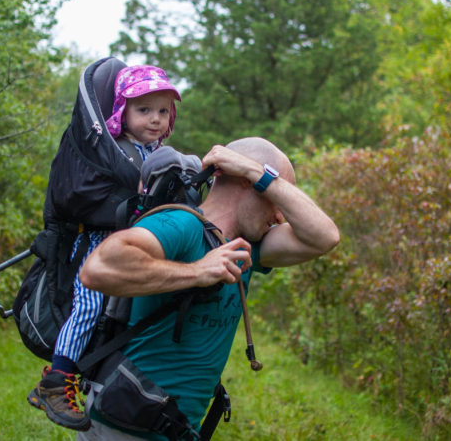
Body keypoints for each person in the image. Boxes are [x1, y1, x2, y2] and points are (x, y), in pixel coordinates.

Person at [77, 137, 340, 440]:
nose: (280, 216)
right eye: (274, 199)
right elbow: (97, 269)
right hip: (126, 425)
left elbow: (326, 237)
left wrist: (259, 174)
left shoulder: (248, 248)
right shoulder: (181, 224)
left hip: (177, 427)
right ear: (243, 182)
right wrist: (197, 271)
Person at [28, 65, 182, 431]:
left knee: (116, 314)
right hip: (99, 242)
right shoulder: (117, 152)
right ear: (122, 112)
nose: (156, 119)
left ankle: (93, 372)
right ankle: (54, 381)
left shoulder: (153, 152)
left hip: (130, 243)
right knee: (89, 305)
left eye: (163, 111)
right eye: (144, 110)